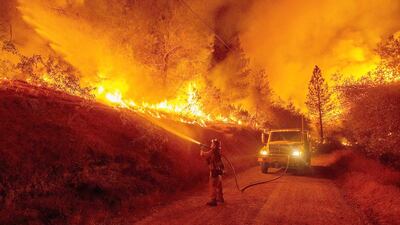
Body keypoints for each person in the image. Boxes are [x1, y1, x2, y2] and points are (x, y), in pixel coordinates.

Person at [200, 138, 225, 207]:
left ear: (214, 145)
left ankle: (213, 200)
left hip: (214, 171)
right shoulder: (218, 151)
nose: (211, 144)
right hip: (219, 172)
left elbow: (203, 155)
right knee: (219, 185)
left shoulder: (213, 151)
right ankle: (220, 198)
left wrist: (201, 148)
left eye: (212, 143)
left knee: (212, 186)